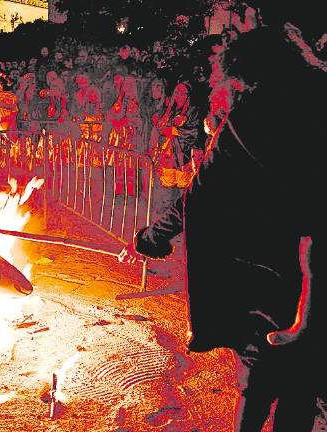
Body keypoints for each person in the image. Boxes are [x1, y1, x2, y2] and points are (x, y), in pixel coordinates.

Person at [118, 4, 325, 429]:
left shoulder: (255, 116)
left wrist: (152, 237)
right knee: (302, 385)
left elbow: (200, 191)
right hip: (304, 272)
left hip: (273, 269)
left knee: (259, 376)